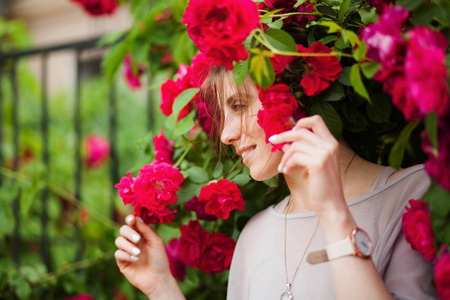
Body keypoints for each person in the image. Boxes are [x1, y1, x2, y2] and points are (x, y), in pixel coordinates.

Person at [114, 66, 437, 299]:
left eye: (239, 105)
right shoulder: (254, 235)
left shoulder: (416, 195)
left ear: (293, 95)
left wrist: (334, 214)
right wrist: (162, 288)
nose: (226, 134)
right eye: (222, 116)